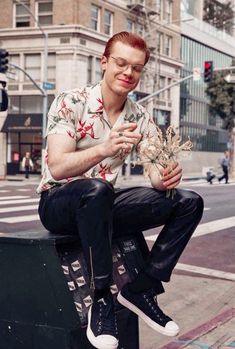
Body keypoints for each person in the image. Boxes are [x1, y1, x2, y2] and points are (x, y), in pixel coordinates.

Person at [37, 32, 204, 349]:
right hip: (59, 203)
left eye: (136, 68)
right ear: (104, 62)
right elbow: (57, 166)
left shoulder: (140, 116)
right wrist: (105, 149)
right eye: (121, 63)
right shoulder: (71, 102)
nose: (128, 73)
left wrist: (164, 177)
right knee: (97, 190)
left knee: (188, 201)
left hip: (102, 205)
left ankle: (142, 287)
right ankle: (100, 301)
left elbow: (155, 169)